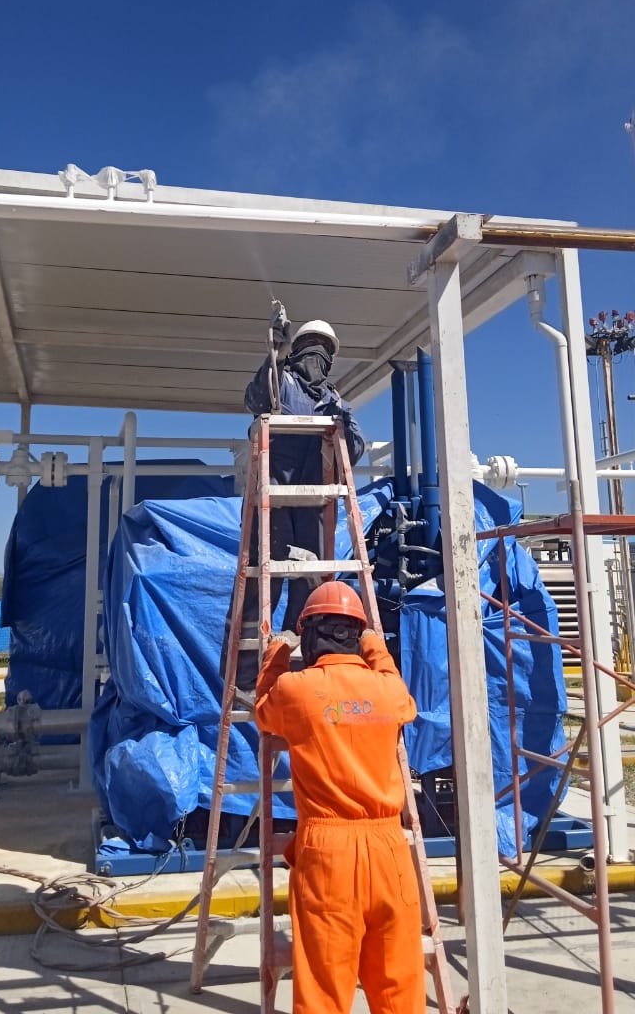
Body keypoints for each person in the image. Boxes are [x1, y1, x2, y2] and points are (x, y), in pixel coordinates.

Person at [255, 581, 426, 1014]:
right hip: (389, 849)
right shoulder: (388, 690)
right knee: (399, 990)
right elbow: (401, 697)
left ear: (310, 635)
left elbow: (263, 712)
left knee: (324, 993)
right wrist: (375, 646)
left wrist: (276, 653)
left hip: (328, 854)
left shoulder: (296, 690)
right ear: (357, 635)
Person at [221, 316, 366, 691]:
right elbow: (256, 398)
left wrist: (342, 426)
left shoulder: (335, 401)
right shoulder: (281, 383)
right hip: (272, 499)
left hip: (313, 503)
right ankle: (246, 676)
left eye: (324, 349)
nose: (317, 356)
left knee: (311, 583)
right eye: (311, 346)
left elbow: (353, 451)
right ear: (297, 350)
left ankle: (300, 663)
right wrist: (274, 352)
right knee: (261, 582)